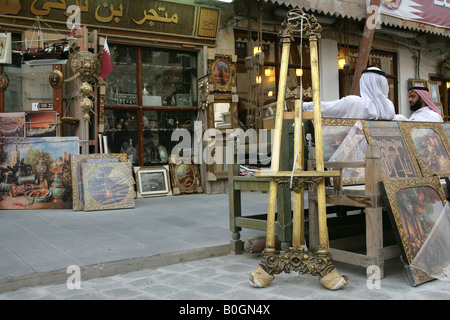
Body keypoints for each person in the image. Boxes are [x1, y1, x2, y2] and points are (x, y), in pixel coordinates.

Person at [303, 66, 395, 120]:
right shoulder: (389, 106)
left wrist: (302, 106)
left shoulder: (354, 102)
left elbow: (327, 108)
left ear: (363, 83)